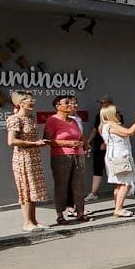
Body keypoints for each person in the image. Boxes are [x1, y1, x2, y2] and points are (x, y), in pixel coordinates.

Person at [6, 90, 49, 232]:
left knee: (33, 190)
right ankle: (26, 223)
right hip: (22, 158)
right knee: (25, 189)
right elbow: (11, 141)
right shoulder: (15, 119)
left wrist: (39, 143)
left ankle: (34, 221)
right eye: (28, 100)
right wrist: (34, 144)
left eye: (33, 100)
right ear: (19, 103)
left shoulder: (30, 118)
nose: (32, 102)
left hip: (34, 158)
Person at [44, 94, 88, 224]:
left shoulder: (73, 121)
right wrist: (68, 143)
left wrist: (83, 145)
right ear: (58, 106)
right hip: (61, 155)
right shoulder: (52, 120)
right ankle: (60, 214)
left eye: (72, 103)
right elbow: (48, 140)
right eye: (67, 103)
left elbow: (79, 136)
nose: (71, 105)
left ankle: (80, 212)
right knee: (61, 185)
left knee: (79, 184)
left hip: (78, 154)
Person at [100, 103, 135, 218]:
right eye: (116, 112)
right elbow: (129, 132)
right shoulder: (111, 125)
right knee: (126, 184)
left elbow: (125, 134)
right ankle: (118, 209)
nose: (119, 114)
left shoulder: (106, 125)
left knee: (120, 184)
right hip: (120, 157)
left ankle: (118, 207)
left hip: (116, 157)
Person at [83, 94, 114, 203]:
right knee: (98, 167)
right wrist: (88, 141)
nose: (100, 104)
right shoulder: (99, 115)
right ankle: (93, 193)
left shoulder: (115, 114)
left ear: (109, 103)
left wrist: (106, 142)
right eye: (100, 102)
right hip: (99, 145)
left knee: (114, 168)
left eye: (103, 102)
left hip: (111, 146)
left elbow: (118, 129)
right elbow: (95, 129)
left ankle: (125, 189)